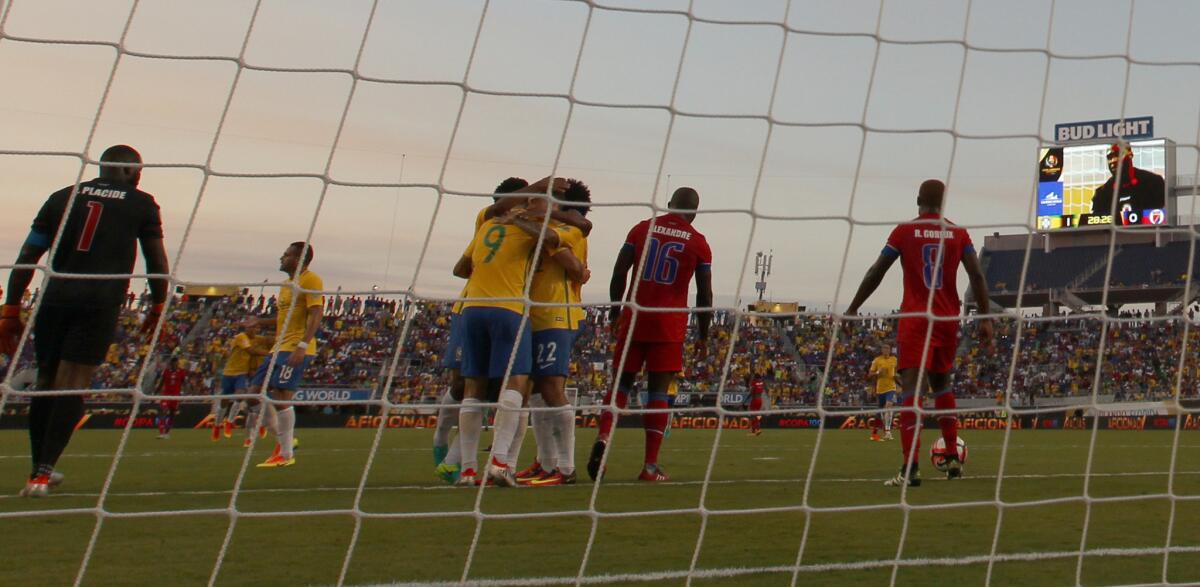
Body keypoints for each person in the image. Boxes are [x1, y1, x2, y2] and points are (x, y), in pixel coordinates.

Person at [0, 144, 169, 497]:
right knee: (74, 383)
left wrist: (11, 309)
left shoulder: (62, 197)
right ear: (128, 171)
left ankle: (38, 470)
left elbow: (28, 255)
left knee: (46, 381)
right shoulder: (142, 203)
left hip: (55, 296)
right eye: (137, 171)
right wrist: (157, 307)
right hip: (99, 299)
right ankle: (43, 475)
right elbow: (156, 263)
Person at [433, 177, 592, 483]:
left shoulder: (492, 223)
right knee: (518, 390)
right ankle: (507, 463)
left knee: (540, 390)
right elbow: (574, 265)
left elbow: (577, 249)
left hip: (552, 317)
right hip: (518, 312)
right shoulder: (517, 226)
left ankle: (558, 467)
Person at [844, 179, 992, 487]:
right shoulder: (958, 232)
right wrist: (986, 317)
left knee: (912, 388)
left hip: (915, 318)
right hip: (947, 319)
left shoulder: (904, 231)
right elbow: (976, 274)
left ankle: (910, 467)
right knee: (943, 384)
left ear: (917, 200)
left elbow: (877, 271)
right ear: (943, 203)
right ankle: (952, 458)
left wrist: (853, 308)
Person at [588, 187, 713, 483]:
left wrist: (616, 312)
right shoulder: (698, 242)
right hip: (668, 324)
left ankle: (604, 437)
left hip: (635, 316)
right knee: (658, 391)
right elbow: (704, 294)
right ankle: (650, 466)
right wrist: (704, 335)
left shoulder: (642, 229)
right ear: (695, 212)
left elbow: (619, 272)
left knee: (621, 383)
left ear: (669, 205)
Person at [512, 179, 592, 487]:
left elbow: (571, 264)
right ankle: (545, 463)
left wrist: (522, 219)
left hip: (559, 315)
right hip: (536, 314)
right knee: (535, 391)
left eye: (553, 199)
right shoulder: (561, 225)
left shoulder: (572, 230)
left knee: (552, 389)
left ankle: (566, 468)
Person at [245, 242, 323, 468]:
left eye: (287, 254)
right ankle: (286, 440)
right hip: (277, 348)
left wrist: (302, 345)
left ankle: (286, 453)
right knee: (252, 395)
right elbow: (283, 318)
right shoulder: (286, 284)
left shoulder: (311, 280)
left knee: (281, 395)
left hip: (294, 348)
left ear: (299, 259)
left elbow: (316, 314)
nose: (282, 257)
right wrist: (260, 321)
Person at [212, 322, 269, 442]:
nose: (254, 330)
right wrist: (269, 354)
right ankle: (217, 425)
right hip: (229, 372)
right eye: (252, 327)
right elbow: (251, 351)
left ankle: (229, 422)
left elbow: (268, 340)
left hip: (241, 373)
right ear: (246, 328)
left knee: (240, 394)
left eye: (256, 327)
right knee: (224, 401)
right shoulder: (241, 337)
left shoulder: (257, 338)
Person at [1088, 141, 1166, 225]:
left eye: (1118, 155)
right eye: (1110, 157)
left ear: (1130, 155)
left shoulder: (1153, 182)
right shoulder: (1102, 194)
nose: (1113, 160)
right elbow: (1095, 225)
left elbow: (1164, 217)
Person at [868, 346, 899, 441]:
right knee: (881, 412)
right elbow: (869, 375)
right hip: (880, 389)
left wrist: (898, 378)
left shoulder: (894, 359)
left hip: (891, 388)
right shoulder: (877, 360)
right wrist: (878, 372)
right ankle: (876, 433)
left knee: (889, 406)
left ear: (890, 350)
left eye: (887, 349)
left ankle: (888, 431)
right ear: (881, 350)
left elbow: (897, 371)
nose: (886, 351)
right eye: (884, 349)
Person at [156, 357, 186, 439]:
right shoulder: (166, 371)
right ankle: (161, 432)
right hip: (166, 395)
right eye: (173, 363)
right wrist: (155, 393)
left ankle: (167, 432)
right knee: (163, 410)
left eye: (176, 363)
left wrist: (186, 393)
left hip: (176, 396)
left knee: (172, 414)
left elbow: (184, 383)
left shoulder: (181, 372)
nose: (174, 365)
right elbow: (161, 383)